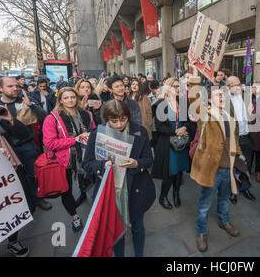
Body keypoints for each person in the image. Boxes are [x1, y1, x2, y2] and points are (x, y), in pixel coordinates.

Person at [82, 100, 155, 257]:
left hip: (136, 189)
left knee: (138, 227)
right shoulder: (97, 134)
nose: (119, 124)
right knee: (114, 230)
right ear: (106, 119)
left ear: (128, 116)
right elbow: (87, 164)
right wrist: (103, 165)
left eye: (123, 119)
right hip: (110, 192)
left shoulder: (140, 131)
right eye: (113, 121)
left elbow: (149, 159)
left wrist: (137, 163)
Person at [188, 76, 244, 253]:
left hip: (228, 169)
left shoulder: (229, 116)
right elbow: (194, 100)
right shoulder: (205, 115)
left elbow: (233, 139)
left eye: (224, 95)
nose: (222, 98)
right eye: (218, 95)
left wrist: (239, 154)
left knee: (224, 199)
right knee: (205, 204)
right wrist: (195, 80)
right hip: (212, 169)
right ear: (210, 100)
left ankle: (224, 222)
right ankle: (201, 232)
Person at [0, 77, 52, 211]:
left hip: (27, 144)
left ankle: (38, 199)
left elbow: (44, 116)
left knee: (33, 174)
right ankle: (19, 203)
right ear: (0, 88)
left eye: (16, 86)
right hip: (5, 146)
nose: (15, 88)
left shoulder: (25, 99)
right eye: (10, 86)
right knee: (11, 177)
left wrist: (31, 105)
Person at [42, 87, 94, 232]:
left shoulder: (86, 114)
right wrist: (75, 140)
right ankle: (75, 217)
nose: (70, 100)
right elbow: (49, 144)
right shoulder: (51, 118)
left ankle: (95, 209)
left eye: (73, 97)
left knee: (92, 183)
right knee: (67, 190)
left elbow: (94, 131)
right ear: (60, 100)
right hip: (64, 161)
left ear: (77, 98)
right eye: (66, 98)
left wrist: (91, 136)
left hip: (87, 157)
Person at [0, 95, 30, 257]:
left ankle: (13, 241)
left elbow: (24, 133)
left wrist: (7, 119)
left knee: (12, 202)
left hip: (7, 167)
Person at [152, 78, 191, 210]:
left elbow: (189, 122)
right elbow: (159, 127)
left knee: (179, 171)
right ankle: (163, 197)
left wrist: (184, 128)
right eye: (175, 86)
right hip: (168, 144)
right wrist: (175, 131)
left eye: (180, 86)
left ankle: (176, 195)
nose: (178, 89)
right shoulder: (161, 104)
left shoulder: (183, 103)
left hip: (182, 143)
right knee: (169, 173)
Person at [226, 76, 255, 201]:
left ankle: (245, 188)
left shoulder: (245, 96)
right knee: (232, 165)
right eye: (235, 85)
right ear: (228, 87)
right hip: (233, 138)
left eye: (239, 84)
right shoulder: (224, 100)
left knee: (245, 164)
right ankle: (232, 191)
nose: (239, 87)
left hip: (246, 136)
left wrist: (252, 111)